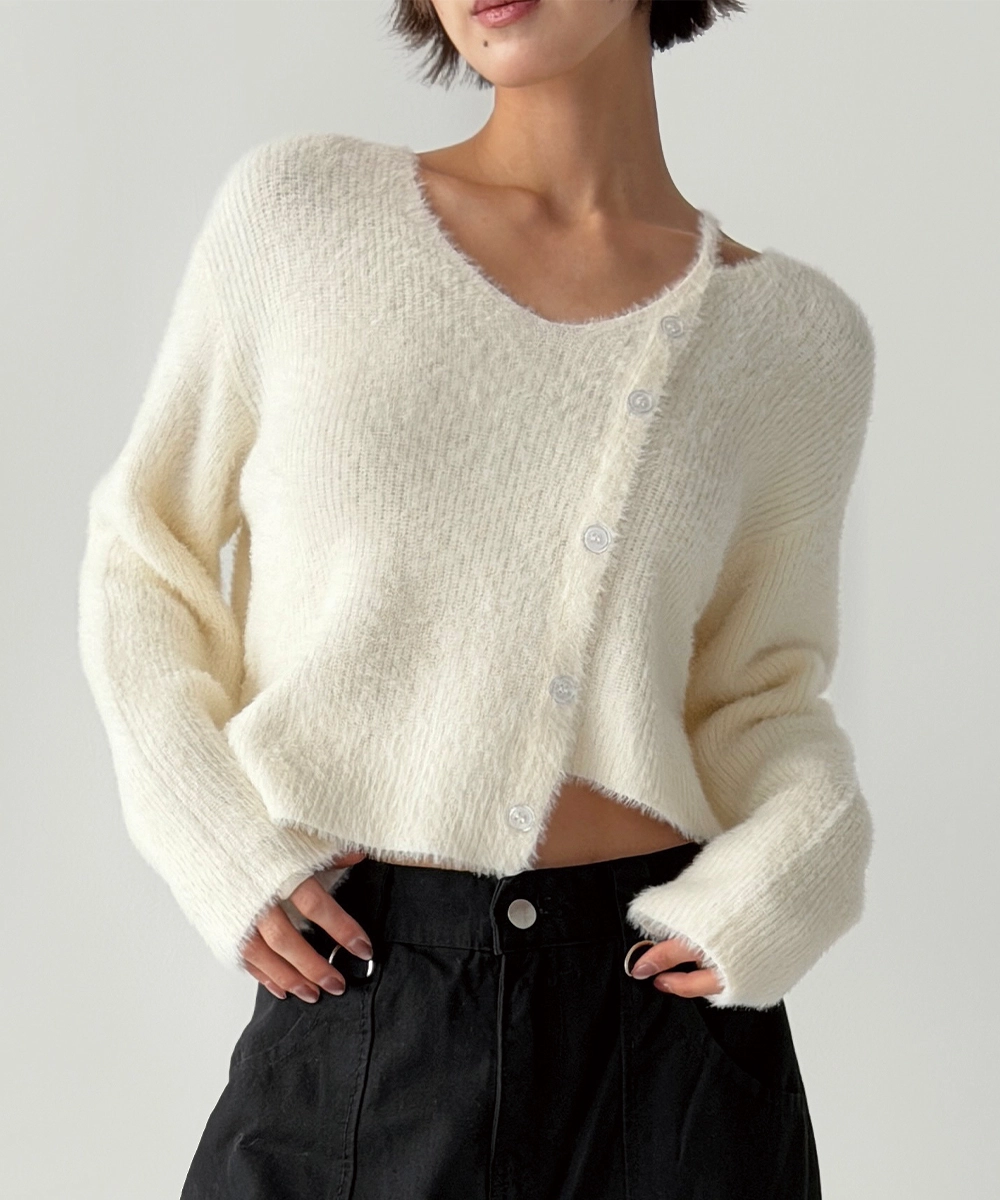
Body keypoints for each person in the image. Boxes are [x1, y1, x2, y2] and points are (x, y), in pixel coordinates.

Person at [76, 1, 877, 1197]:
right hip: (364, 996)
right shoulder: (303, 215)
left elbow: (760, 700)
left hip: (667, 1039)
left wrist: (797, 867)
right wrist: (216, 841)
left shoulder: (797, 338)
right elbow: (147, 558)